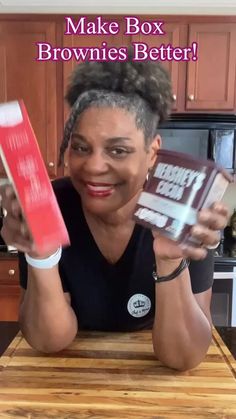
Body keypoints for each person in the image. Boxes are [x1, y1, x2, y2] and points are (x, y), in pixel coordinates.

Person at [0, 57, 229, 371]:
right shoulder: (48, 205)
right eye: (80, 147)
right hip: (69, 376)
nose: (93, 166)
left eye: (118, 150)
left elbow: (183, 358)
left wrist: (169, 260)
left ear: (151, 153)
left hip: (150, 376)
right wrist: (41, 256)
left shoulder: (182, 213)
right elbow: (48, 342)